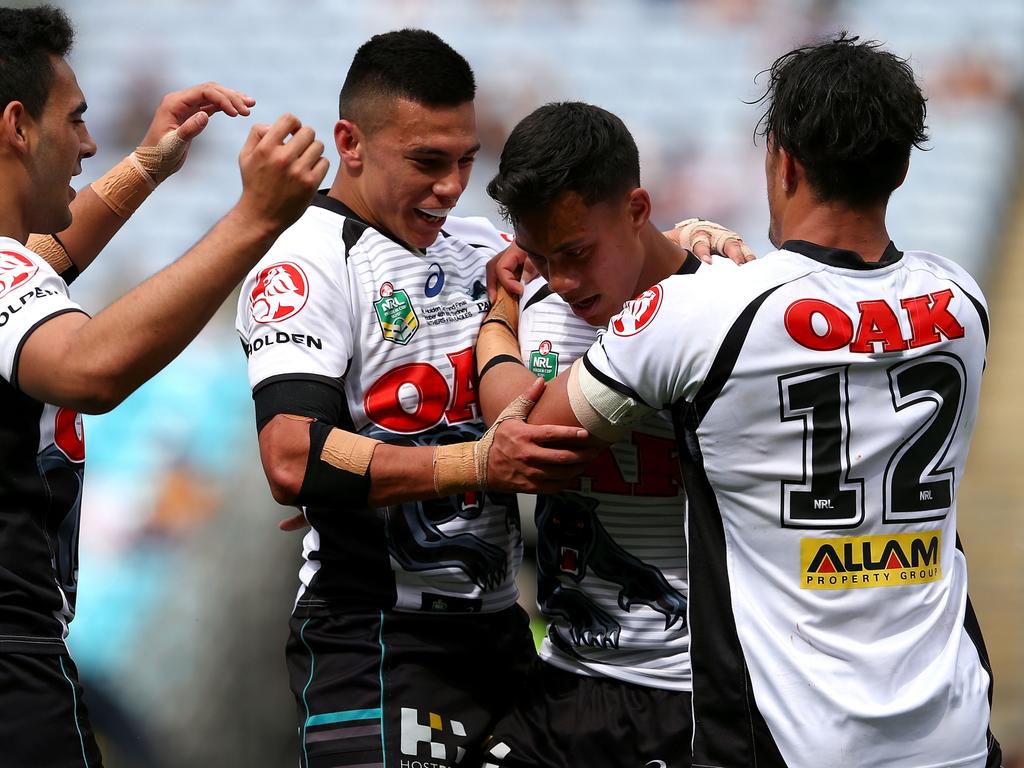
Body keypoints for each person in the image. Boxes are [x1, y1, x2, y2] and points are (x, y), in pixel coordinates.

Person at [483, 34, 1003, 767]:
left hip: (790, 735)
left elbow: (527, 433)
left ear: (782, 162)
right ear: (903, 165)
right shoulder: (963, 299)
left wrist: (498, 319)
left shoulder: (708, 310)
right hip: (950, 726)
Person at [233, 29, 607, 768]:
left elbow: (612, 271)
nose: (451, 186)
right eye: (428, 162)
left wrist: (694, 244)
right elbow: (291, 455)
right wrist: (473, 464)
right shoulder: (305, 261)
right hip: (377, 638)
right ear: (352, 142)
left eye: (466, 160)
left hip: (502, 630)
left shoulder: (479, 247)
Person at [0, 6, 328, 766]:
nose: (88, 142)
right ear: (18, 126)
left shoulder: (17, 264)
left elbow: (46, 258)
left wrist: (151, 163)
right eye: (75, 121)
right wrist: (253, 220)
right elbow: (89, 368)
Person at [472, 102, 751, 768]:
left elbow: (520, 438)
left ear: (636, 208)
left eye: (577, 253)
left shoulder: (735, 305)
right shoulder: (533, 311)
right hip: (566, 672)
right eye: (540, 256)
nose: (562, 281)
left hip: (701, 693)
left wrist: (493, 325)